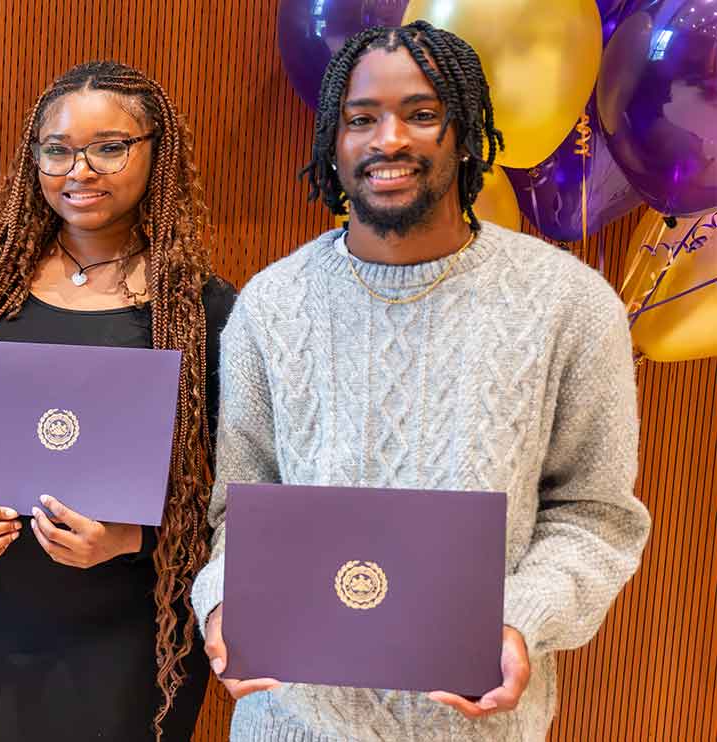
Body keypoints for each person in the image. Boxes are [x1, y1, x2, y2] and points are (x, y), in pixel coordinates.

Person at [192, 21, 651, 742]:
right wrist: (224, 603)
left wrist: (522, 621)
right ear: (333, 145)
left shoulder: (569, 304)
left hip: (476, 727)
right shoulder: (272, 305)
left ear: (465, 133)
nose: (389, 140)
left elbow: (595, 516)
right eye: (361, 119)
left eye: (422, 113)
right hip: (292, 723)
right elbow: (238, 512)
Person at [0, 60, 233, 741]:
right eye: (57, 149)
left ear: (156, 154)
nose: (80, 169)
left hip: (131, 637)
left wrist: (133, 540)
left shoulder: (200, 308)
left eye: (110, 147)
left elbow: (234, 492)